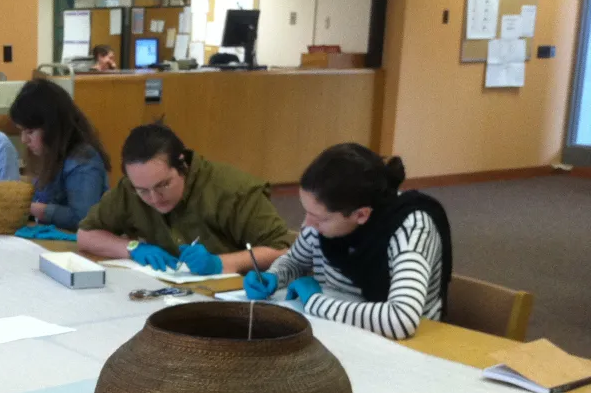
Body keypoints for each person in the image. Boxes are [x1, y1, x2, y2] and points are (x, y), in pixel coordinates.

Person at [244, 143, 452, 341]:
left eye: (319, 218)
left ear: (360, 215)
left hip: (408, 348)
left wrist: (317, 302)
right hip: (340, 330)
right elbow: (295, 262)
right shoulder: (324, 220)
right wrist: (273, 276)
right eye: (307, 212)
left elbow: (401, 319)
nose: (307, 224)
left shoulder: (410, 229)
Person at [77, 123, 291, 275]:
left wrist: (220, 263)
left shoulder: (233, 190)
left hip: (236, 295)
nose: (154, 198)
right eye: (142, 190)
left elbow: (283, 250)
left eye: (163, 185)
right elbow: (86, 234)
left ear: (183, 165)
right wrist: (132, 248)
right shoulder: (130, 189)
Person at [9, 79, 109, 229]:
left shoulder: (83, 160)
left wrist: (30, 208)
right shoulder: (50, 154)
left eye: (30, 132)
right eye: (21, 131)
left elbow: (83, 218)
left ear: (53, 128)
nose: (24, 140)